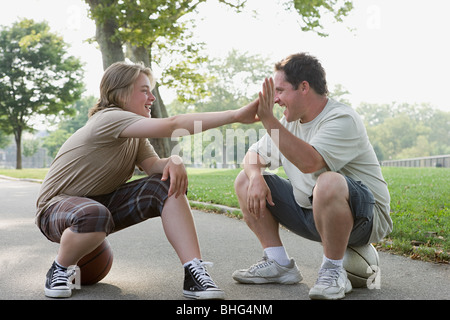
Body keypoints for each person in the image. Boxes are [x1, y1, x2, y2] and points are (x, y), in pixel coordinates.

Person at [36, 61, 259, 299]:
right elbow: (173, 125)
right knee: (94, 213)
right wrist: (236, 115)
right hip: (56, 209)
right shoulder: (109, 118)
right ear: (120, 93)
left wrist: (173, 161)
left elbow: (153, 166)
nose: (151, 97)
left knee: (164, 183)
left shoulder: (134, 135)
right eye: (144, 90)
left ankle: (194, 271)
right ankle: (59, 268)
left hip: (99, 205)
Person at [232, 53, 392, 300]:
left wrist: (268, 120)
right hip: (311, 212)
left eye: (281, 91)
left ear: (304, 87)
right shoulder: (287, 123)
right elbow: (252, 156)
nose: (275, 100)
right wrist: (255, 177)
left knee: (327, 181)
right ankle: (279, 264)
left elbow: (310, 162)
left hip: (365, 218)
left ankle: (333, 271)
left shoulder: (342, 118)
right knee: (245, 179)